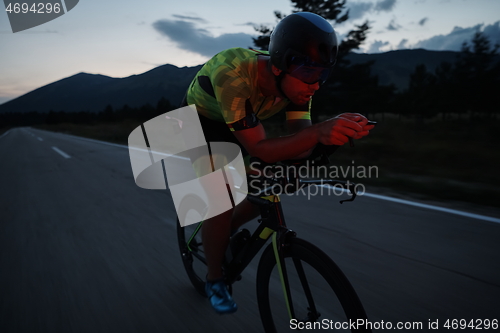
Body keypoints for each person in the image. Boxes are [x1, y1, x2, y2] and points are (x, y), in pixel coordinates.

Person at [181, 12, 375, 314]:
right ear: (279, 65)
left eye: (323, 75)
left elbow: (300, 141)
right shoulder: (232, 75)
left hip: (239, 126)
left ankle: (222, 233)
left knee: (280, 180)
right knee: (221, 197)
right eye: (311, 75)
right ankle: (214, 278)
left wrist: (329, 139)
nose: (316, 85)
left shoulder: (298, 80)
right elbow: (262, 148)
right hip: (201, 123)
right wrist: (318, 132)